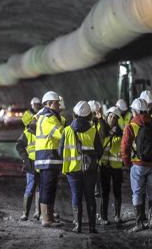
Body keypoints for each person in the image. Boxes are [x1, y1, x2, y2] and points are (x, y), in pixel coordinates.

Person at [121, 98, 152, 232]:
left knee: (137, 193)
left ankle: (140, 223)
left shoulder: (131, 126)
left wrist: (127, 163)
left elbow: (124, 148)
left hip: (138, 165)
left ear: (134, 111)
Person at [59, 101, 103, 233]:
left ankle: (77, 226)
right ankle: (92, 227)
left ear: (75, 114)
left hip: (73, 170)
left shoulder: (66, 130)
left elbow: (60, 151)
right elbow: (99, 151)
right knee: (90, 196)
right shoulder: (93, 131)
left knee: (76, 196)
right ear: (89, 115)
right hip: (89, 170)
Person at [34, 91, 65, 227]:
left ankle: (49, 217)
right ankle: (46, 219)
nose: (58, 105)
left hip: (49, 158)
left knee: (50, 188)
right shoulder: (48, 118)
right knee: (47, 188)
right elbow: (61, 134)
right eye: (57, 102)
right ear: (49, 103)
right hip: (48, 158)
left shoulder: (49, 116)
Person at [98, 106, 124, 225]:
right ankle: (103, 217)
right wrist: (101, 121)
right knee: (104, 191)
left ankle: (117, 216)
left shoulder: (120, 132)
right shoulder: (101, 129)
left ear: (117, 119)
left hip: (116, 166)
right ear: (107, 116)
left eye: (114, 117)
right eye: (110, 116)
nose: (112, 119)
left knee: (117, 191)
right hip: (104, 165)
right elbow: (103, 135)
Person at [16, 112, 39, 221]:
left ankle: (39, 212)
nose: (36, 120)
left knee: (41, 188)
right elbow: (19, 146)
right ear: (30, 122)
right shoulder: (26, 134)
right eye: (34, 119)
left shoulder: (40, 131)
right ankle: (25, 213)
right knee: (30, 188)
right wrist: (25, 159)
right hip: (31, 164)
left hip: (41, 162)